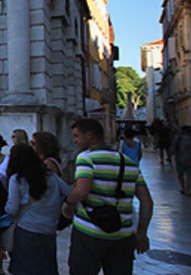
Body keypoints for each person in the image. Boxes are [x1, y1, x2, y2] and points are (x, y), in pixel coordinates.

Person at [62, 118, 154, 275]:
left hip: (89, 232)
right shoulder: (129, 164)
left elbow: (82, 191)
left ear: (89, 135)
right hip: (123, 234)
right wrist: (141, 233)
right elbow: (147, 202)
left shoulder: (86, 158)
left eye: (77, 136)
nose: (75, 140)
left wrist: (68, 202)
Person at [5, 143, 71, 274]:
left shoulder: (17, 179)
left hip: (27, 230)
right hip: (49, 230)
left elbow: (12, 209)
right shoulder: (51, 177)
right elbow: (69, 193)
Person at [173, 125, 191, 197]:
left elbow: (173, 147)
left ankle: (183, 188)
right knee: (189, 175)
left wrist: (171, 156)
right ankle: (188, 190)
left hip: (180, 159)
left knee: (180, 174)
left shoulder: (178, 138)